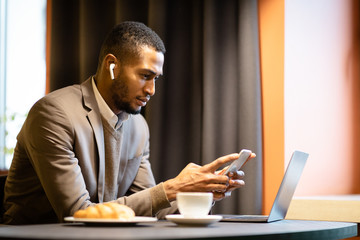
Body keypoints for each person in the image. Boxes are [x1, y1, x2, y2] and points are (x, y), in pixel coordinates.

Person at [2, 21, 246, 225]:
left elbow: (153, 207)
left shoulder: (138, 127)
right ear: (112, 66)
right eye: (144, 76)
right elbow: (77, 214)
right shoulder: (53, 114)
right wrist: (172, 188)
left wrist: (198, 193)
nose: (151, 90)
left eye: (156, 79)